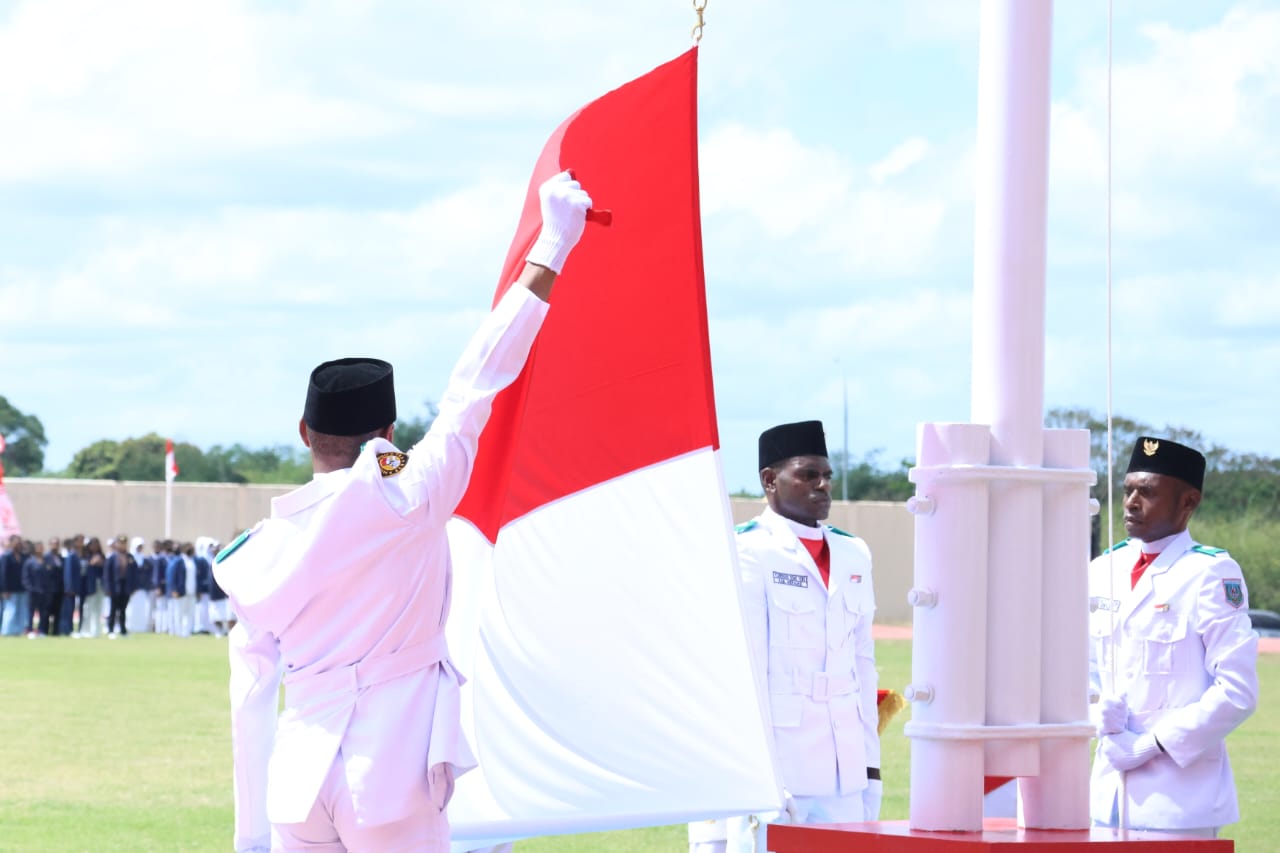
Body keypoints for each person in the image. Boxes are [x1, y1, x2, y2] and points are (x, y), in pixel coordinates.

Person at [213, 170, 594, 853]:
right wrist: (554, 243)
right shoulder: (412, 493)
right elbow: (478, 380)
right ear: (388, 431)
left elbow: (249, 692)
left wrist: (249, 834)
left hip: (297, 784)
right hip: (388, 776)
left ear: (304, 432)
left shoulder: (261, 548)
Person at [720, 420, 880, 852]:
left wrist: (871, 770)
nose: (822, 485)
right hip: (781, 768)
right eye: (807, 475)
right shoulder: (747, 551)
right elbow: (743, 672)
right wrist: (759, 776)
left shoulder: (853, 552)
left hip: (843, 770)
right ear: (770, 480)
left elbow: (863, 666)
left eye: (827, 475)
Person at [1088, 436, 1258, 837]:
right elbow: (1083, 668)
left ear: (1188, 502)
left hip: (1178, 805)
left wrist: (1149, 745)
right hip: (1106, 798)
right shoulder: (1103, 568)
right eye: (1128, 489)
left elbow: (1237, 691)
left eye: (1146, 492)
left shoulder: (1210, 573)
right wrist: (1097, 714)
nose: (1130, 502)